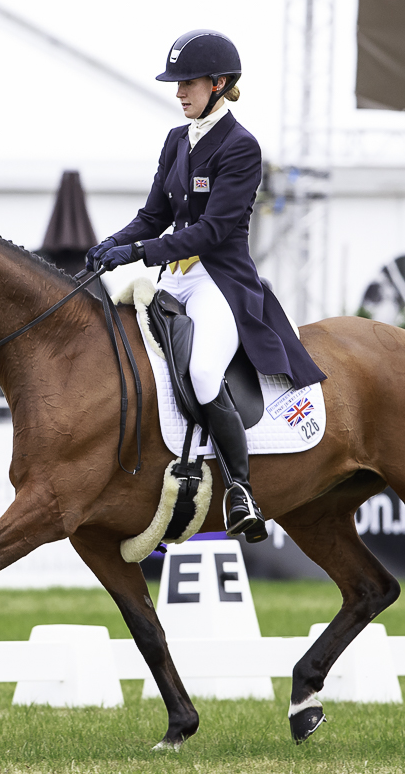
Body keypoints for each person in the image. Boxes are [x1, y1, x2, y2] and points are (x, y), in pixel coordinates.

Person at [87, 29, 327, 544]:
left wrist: (139, 252)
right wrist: (112, 243)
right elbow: (153, 215)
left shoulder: (242, 148)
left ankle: (240, 489)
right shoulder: (176, 141)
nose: (178, 93)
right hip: (175, 277)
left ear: (219, 84)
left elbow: (214, 230)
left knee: (200, 371)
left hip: (220, 279)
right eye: (176, 84)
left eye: (187, 83)